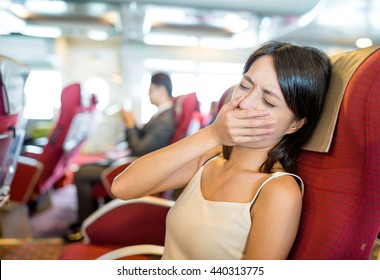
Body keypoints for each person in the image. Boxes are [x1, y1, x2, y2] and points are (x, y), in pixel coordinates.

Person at [111, 41, 331, 260]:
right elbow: (123, 187)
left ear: (295, 124)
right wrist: (212, 134)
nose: (244, 103)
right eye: (245, 86)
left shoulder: (279, 192)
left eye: (267, 101)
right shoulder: (211, 158)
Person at [63, 72, 176, 242]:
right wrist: (132, 123)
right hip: (136, 162)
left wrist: (130, 123)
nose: (148, 94)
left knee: (81, 174)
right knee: (85, 169)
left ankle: (84, 225)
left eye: (151, 90)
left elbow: (139, 149)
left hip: (140, 168)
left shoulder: (166, 119)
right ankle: (92, 221)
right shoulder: (161, 114)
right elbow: (144, 140)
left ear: (161, 90)